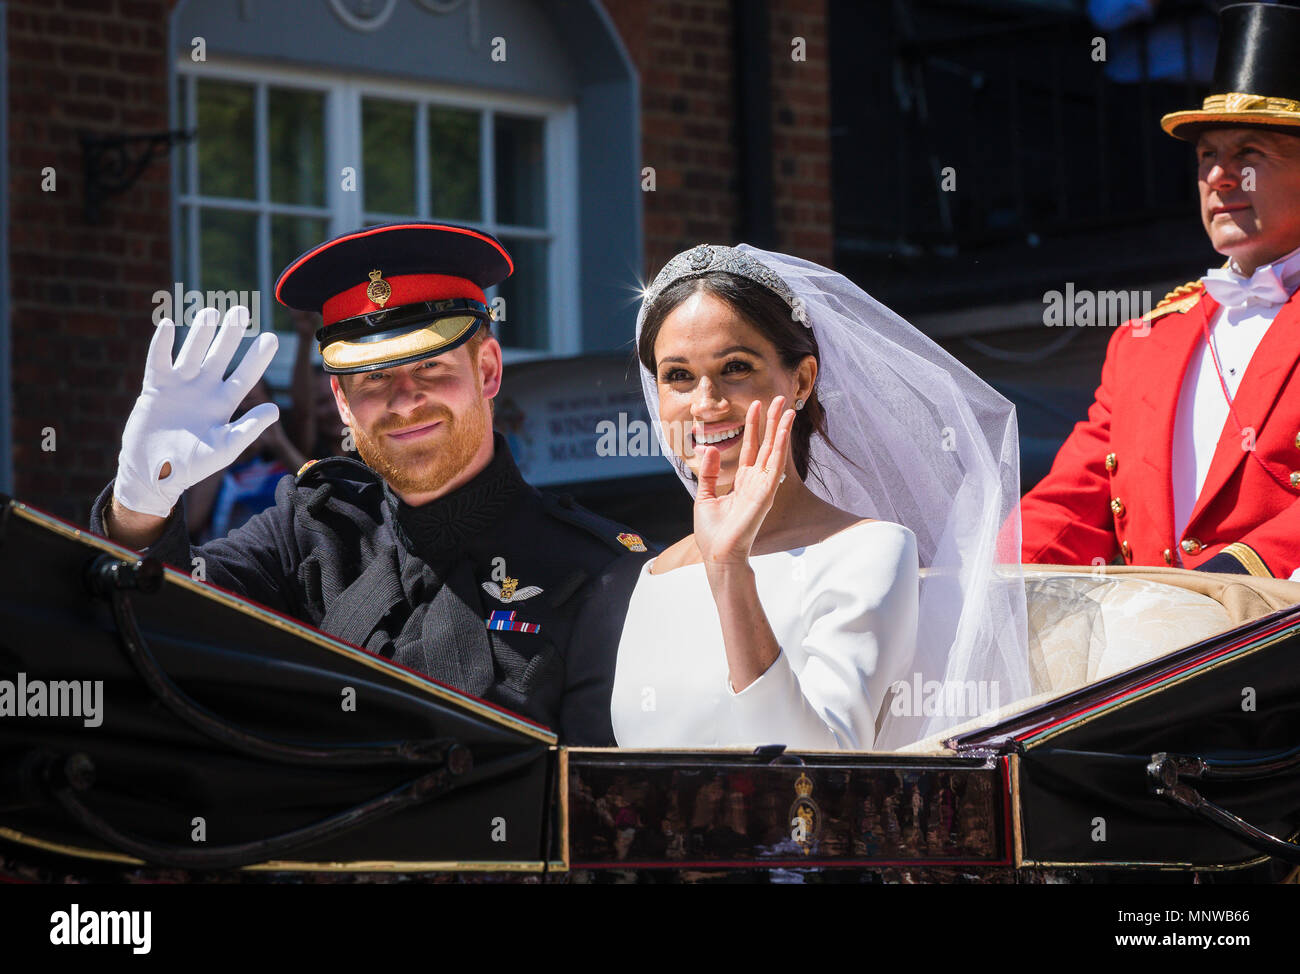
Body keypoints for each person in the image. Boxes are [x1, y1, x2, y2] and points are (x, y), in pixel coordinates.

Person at [88, 221, 652, 745]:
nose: (404, 400)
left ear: (486, 371)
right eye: (373, 377)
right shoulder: (310, 531)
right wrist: (141, 505)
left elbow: (603, 807)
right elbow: (168, 629)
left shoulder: (602, 570)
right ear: (342, 402)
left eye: (431, 367)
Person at [610, 244, 1031, 751]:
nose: (706, 403)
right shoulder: (655, 574)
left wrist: (730, 571)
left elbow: (815, 768)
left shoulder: (869, 552)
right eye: (678, 376)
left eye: (736, 368)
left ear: (802, 379)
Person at [1021, 2, 1300, 579]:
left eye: (1248, 153)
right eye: (1207, 156)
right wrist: (967, 579)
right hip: (1158, 659)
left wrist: (1232, 583)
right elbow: (1070, 503)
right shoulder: (1145, 339)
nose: (1219, 177)